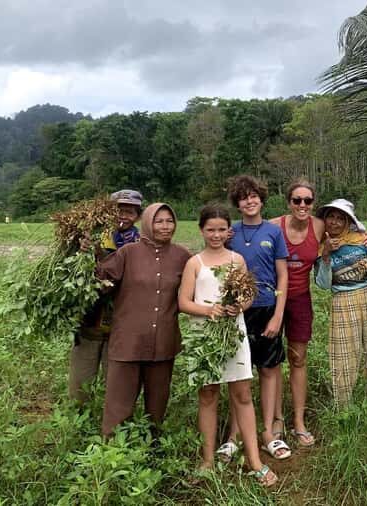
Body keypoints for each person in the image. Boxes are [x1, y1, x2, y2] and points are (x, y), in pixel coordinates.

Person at [178, 205, 277, 486]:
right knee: (208, 394)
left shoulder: (237, 260)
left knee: (242, 394)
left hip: (233, 334)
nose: (216, 234)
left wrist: (239, 307)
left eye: (222, 229)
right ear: (201, 230)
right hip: (205, 336)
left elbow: (247, 296)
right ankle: (208, 460)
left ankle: (254, 460)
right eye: (210, 229)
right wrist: (208, 310)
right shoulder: (194, 262)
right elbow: (183, 302)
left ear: (228, 231)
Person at [97, 203, 191, 437]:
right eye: (159, 221)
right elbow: (100, 279)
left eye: (169, 221)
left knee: (157, 404)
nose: (165, 226)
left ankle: (153, 446)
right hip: (128, 341)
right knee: (119, 402)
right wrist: (85, 253)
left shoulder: (182, 256)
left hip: (163, 342)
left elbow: (204, 278)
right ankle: (113, 449)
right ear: (147, 223)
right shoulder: (128, 253)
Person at [224, 175, 291, 461]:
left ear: (262, 199)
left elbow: (283, 275)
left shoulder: (273, 233)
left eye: (254, 196)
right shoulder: (229, 232)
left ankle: (268, 433)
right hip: (237, 311)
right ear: (237, 204)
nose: (249, 201)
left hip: (266, 308)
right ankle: (235, 435)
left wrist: (278, 315)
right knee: (238, 373)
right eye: (243, 197)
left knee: (268, 369)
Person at [69, 189, 143, 404]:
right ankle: (78, 417)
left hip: (122, 324)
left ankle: (114, 420)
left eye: (130, 212)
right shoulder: (91, 236)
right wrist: (81, 252)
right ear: (107, 212)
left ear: (138, 216)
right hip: (90, 320)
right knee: (81, 381)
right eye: (119, 211)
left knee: (117, 380)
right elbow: (71, 273)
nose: (123, 216)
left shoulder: (142, 241)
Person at [315, 199, 367, 408]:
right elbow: (322, 284)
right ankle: (343, 408)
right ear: (325, 220)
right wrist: (327, 253)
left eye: (341, 218)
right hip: (342, 301)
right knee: (343, 356)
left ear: (349, 222)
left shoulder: (360, 240)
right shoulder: (320, 246)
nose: (336, 223)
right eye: (331, 217)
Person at [267, 180, 322, 447]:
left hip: (300, 298)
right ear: (289, 202)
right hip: (272, 297)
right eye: (297, 200)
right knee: (274, 358)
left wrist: (365, 237)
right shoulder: (273, 225)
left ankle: (298, 420)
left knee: (298, 358)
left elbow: (348, 232)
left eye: (307, 201)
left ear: (313, 203)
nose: (302, 205)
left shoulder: (319, 226)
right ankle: (276, 418)